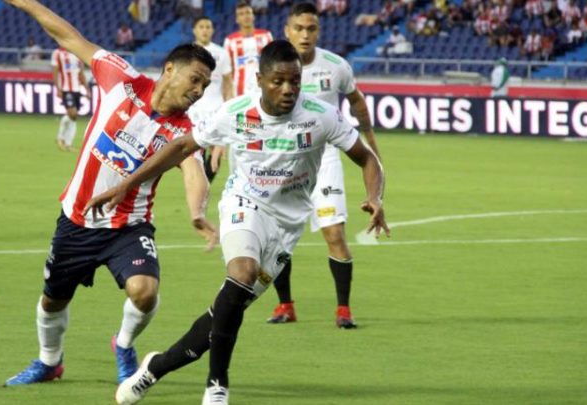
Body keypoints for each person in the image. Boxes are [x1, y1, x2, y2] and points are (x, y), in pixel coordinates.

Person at [87, 40, 388, 405]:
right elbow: (182, 147)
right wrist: (128, 184)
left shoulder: (321, 116)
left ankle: (155, 367)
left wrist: (375, 197)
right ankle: (217, 385)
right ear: (260, 80)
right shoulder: (235, 112)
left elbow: (367, 159)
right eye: (278, 81)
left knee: (225, 312)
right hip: (244, 205)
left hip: (286, 227)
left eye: (295, 81)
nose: (288, 89)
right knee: (242, 274)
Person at [0, 0, 218, 387]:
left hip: (128, 227)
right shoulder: (121, 79)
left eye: (205, 86)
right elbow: (68, 36)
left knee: (144, 292)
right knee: (53, 299)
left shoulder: (184, 130)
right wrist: (28, 3)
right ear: (170, 69)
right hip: (77, 219)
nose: (199, 91)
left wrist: (197, 211)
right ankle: (49, 362)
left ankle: (124, 343)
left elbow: (194, 172)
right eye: (196, 80)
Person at [264, 1, 381, 328]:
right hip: (285, 158)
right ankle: (285, 306)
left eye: (311, 28)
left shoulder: (336, 66)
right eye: (298, 28)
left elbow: (356, 100)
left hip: (325, 157)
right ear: (287, 31)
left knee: (334, 233)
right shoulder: (273, 66)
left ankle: (344, 311)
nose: (305, 35)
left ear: (319, 31)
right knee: (278, 238)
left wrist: (371, 140)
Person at [189, 16, 233, 182]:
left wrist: (229, 105)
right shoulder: (188, 52)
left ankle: (206, 183)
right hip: (194, 109)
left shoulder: (221, 53)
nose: (205, 30)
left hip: (216, 108)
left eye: (208, 27)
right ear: (194, 30)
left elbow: (228, 83)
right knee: (196, 151)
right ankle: (200, 185)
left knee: (217, 152)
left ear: (212, 30)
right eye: (201, 27)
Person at [224, 1, 273, 97]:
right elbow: (228, 70)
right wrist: (228, 94)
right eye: (241, 14)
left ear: (253, 16)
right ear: (237, 19)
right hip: (239, 92)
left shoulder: (266, 36)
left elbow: (272, 63)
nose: (245, 16)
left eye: (248, 13)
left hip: (262, 89)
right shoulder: (230, 40)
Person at [50, 47, 90, 151]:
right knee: (73, 113)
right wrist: (58, 88)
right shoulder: (58, 53)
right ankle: (61, 138)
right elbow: (55, 71)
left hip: (77, 89)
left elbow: (81, 74)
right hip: (66, 89)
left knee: (73, 116)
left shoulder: (78, 54)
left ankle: (67, 143)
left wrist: (87, 90)